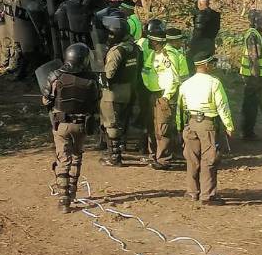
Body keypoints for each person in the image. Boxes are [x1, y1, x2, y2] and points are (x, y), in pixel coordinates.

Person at [43, 43, 99, 214]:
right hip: (82, 125)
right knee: (76, 157)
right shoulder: (91, 79)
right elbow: (95, 103)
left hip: (61, 125)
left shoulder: (55, 76)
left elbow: (46, 101)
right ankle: (73, 193)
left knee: (63, 160)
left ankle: (63, 200)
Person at [177, 40, 234, 206]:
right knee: (209, 160)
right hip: (208, 124)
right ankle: (207, 195)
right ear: (206, 65)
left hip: (191, 123)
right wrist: (229, 126)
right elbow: (222, 106)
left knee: (192, 159)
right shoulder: (214, 83)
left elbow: (180, 108)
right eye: (212, 63)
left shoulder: (186, 84)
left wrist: (181, 126)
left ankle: (192, 192)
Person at [99, 13, 142, 166]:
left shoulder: (117, 51)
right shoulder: (135, 48)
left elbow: (108, 75)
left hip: (113, 93)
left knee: (111, 124)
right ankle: (120, 150)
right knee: (122, 122)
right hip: (129, 90)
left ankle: (114, 157)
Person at [141, 19, 179, 169]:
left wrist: (166, 97)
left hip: (164, 96)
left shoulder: (167, 55)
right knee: (153, 127)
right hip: (153, 94)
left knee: (163, 128)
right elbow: (147, 72)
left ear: (154, 40)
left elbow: (173, 79)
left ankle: (164, 160)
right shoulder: (153, 54)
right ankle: (154, 156)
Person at [239, 9, 262, 139]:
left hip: (253, 77)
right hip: (252, 77)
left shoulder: (255, 34)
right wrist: (257, 78)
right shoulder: (253, 35)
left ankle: (248, 130)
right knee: (250, 106)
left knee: (252, 104)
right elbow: (254, 59)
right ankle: (247, 132)